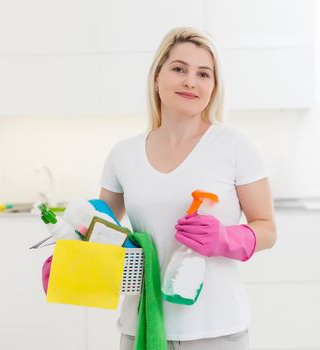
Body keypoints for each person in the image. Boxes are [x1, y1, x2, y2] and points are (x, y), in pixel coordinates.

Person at [99, 26, 277, 350]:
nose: (190, 82)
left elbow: (267, 229)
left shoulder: (235, 146)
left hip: (216, 331)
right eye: (179, 69)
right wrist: (72, 259)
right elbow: (99, 230)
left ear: (214, 86)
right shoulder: (123, 154)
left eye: (203, 74)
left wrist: (227, 238)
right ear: (157, 77)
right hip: (142, 326)